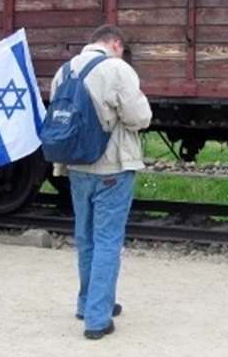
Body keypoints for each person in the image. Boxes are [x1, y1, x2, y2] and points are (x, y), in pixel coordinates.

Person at [50, 25, 152, 340]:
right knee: (108, 241)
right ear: (116, 44)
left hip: (77, 165)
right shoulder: (117, 69)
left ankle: (88, 302)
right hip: (112, 167)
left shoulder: (64, 71)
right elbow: (140, 117)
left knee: (86, 238)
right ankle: (97, 318)